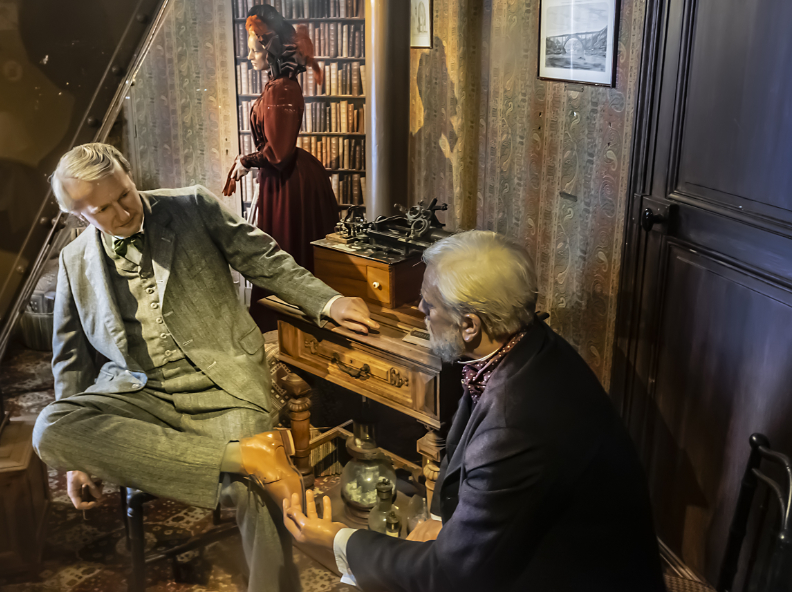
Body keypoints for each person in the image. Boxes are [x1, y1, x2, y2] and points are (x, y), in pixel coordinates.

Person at [33, 142, 378, 592]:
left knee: (263, 490)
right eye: (105, 208)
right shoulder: (73, 262)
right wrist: (79, 460)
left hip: (223, 386)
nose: (124, 210)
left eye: (126, 193)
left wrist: (328, 301)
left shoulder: (192, 206)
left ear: (128, 176)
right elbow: (72, 358)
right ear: (81, 215)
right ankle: (244, 457)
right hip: (139, 396)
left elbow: (265, 260)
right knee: (49, 428)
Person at [283, 230, 667, 592]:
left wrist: (339, 540)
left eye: (429, 305)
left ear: (469, 325)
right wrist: (437, 522)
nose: (419, 310)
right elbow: (458, 451)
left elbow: (451, 575)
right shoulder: (524, 347)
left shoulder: (515, 424)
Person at [224, 4, 339, 328]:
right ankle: (288, 320)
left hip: (290, 182)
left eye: (252, 50)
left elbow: (278, 153)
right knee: (281, 248)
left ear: (266, 47)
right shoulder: (278, 86)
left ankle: (290, 322)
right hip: (284, 180)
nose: (249, 58)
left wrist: (246, 160)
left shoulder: (281, 88)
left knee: (286, 250)